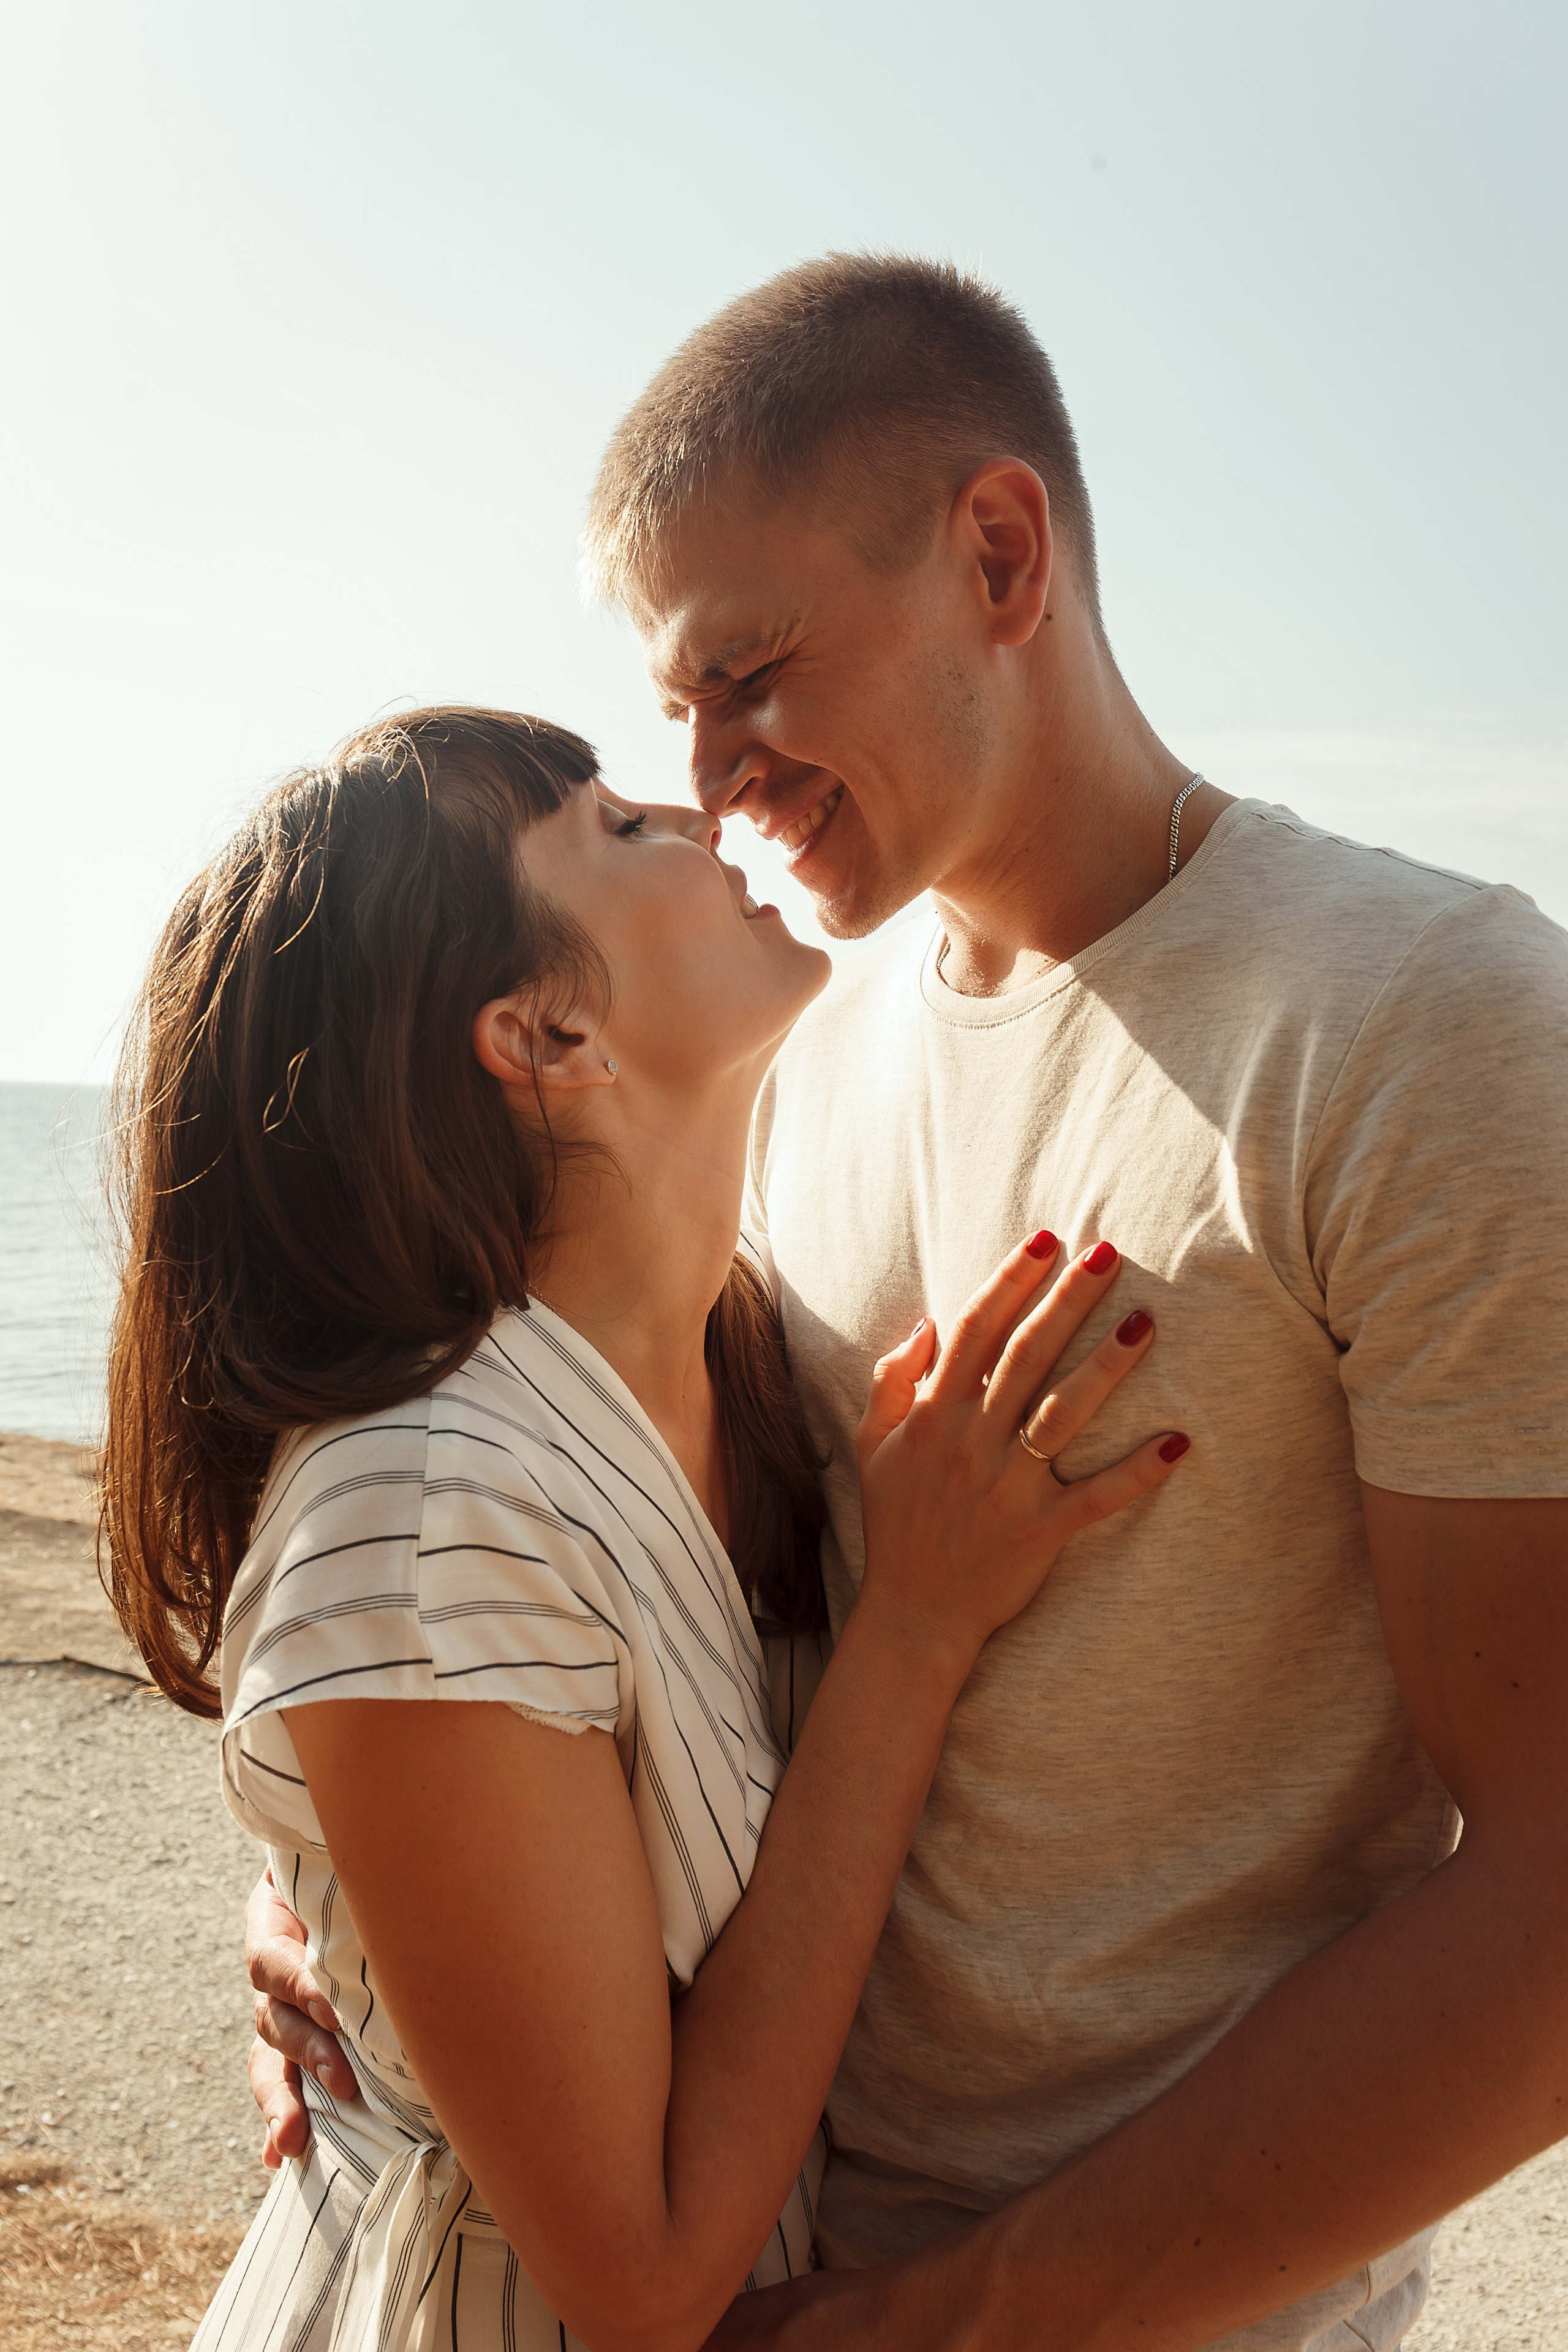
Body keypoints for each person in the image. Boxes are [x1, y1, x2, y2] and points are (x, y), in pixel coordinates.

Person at [249, 257, 1568, 2350]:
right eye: (671, 709)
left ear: (1000, 553)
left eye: (753, 671)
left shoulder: (1433, 1026)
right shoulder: (797, 1078)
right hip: (749, 2243)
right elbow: (636, 1612)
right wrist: (387, 1933)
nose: (708, 772)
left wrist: (952, 2322)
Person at [101, 706, 1187, 2351]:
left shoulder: (751, 1366)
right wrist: (915, 1630)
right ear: (542, 1035)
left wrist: (330, 1912)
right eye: (612, 826)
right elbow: (645, 2278)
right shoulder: (419, 1507)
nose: (699, 811)